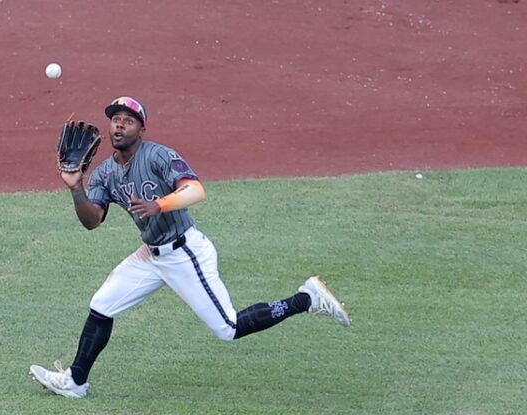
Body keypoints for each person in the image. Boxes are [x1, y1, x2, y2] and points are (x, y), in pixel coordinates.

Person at [29, 96, 350, 398]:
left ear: (142, 129)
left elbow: (195, 190)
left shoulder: (158, 155)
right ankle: (76, 382)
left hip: (185, 252)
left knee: (228, 328)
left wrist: (160, 205)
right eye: (115, 119)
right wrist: (76, 188)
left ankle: (307, 298)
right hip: (150, 256)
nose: (119, 125)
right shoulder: (104, 174)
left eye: (128, 120)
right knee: (102, 305)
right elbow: (92, 220)